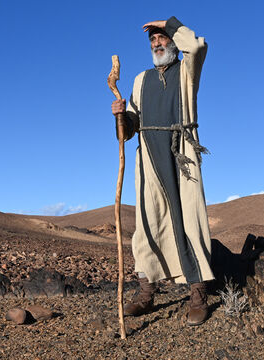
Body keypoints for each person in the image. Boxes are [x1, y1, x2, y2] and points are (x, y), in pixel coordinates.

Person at [111, 16, 214, 326]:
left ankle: (197, 294)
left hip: (181, 152)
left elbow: (196, 47)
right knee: (147, 223)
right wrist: (120, 116)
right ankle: (146, 293)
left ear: (171, 40)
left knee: (190, 221)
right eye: (153, 40)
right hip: (149, 157)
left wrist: (170, 24)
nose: (157, 43)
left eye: (162, 38)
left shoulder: (186, 72)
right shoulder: (140, 81)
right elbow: (129, 128)